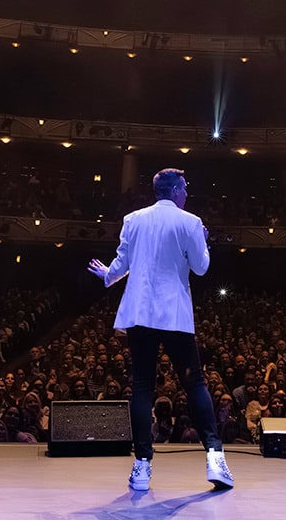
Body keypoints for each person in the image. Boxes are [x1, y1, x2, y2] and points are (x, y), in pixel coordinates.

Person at [87, 168, 232, 491]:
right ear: (177, 189)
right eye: (186, 187)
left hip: (140, 313)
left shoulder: (133, 219)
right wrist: (204, 242)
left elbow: (121, 263)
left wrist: (107, 276)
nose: (188, 192)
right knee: (195, 384)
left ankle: (141, 467)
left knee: (142, 388)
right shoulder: (190, 222)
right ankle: (215, 458)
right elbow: (201, 267)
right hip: (174, 315)